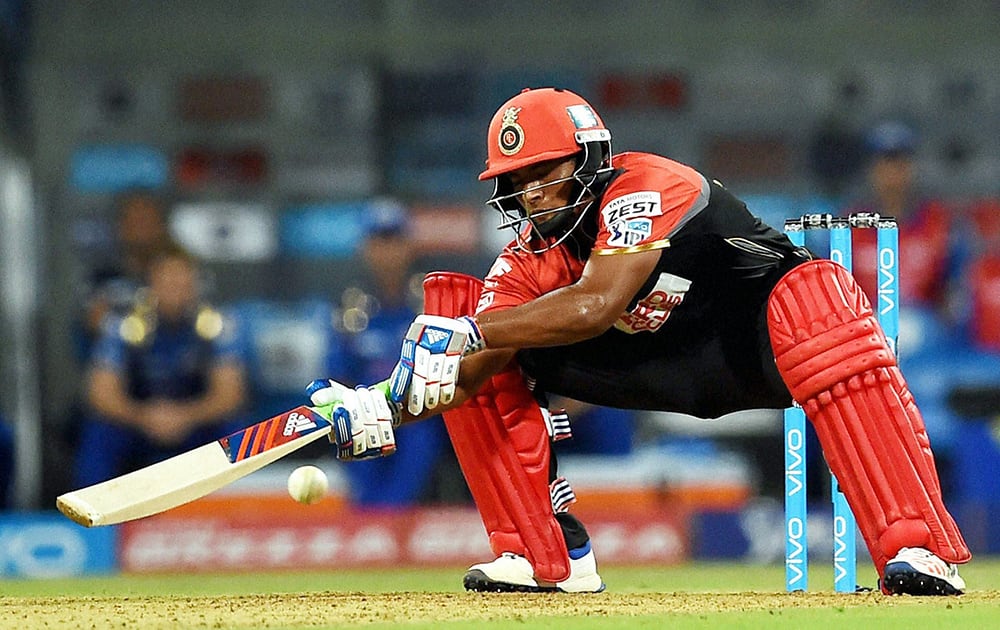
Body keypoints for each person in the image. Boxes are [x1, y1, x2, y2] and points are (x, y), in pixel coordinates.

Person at [305, 88, 969, 596]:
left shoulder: (646, 186)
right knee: (476, 348)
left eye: (545, 172)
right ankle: (547, 558)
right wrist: (384, 405)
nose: (531, 196)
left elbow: (598, 303)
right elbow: (471, 371)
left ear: (591, 157)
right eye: (518, 182)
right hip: (654, 367)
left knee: (815, 295)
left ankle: (914, 546)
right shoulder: (526, 258)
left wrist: (468, 332)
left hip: (757, 344)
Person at [73, 245, 248, 487]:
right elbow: (101, 394)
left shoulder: (217, 326)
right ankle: (94, 514)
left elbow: (229, 395)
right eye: (167, 281)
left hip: (195, 421)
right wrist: (145, 417)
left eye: (182, 281)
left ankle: (236, 512)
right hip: (138, 421)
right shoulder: (124, 325)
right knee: (100, 434)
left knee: (236, 432)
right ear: (151, 284)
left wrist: (184, 416)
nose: (174, 289)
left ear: (195, 285)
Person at [335, 200, 459, 506]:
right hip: (366, 413)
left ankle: (391, 519)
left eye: (394, 241)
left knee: (421, 435)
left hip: (422, 412)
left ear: (408, 246)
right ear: (366, 248)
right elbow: (338, 373)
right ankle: (369, 520)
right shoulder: (351, 309)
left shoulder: (430, 300)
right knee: (353, 426)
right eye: (378, 242)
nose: (387, 251)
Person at [841, 120, 963, 316]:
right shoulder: (848, 228)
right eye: (884, 163)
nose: (892, 173)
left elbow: (957, 296)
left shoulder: (941, 224)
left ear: (912, 168)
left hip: (929, 336)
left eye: (900, 163)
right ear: (871, 170)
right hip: (865, 333)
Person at [74, 191, 175, 361]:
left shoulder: (179, 272)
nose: (142, 230)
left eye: (148, 222)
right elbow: (94, 322)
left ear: (161, 227)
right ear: (120, 227)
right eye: (135, 222)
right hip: (117, 368)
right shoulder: (100, 278)